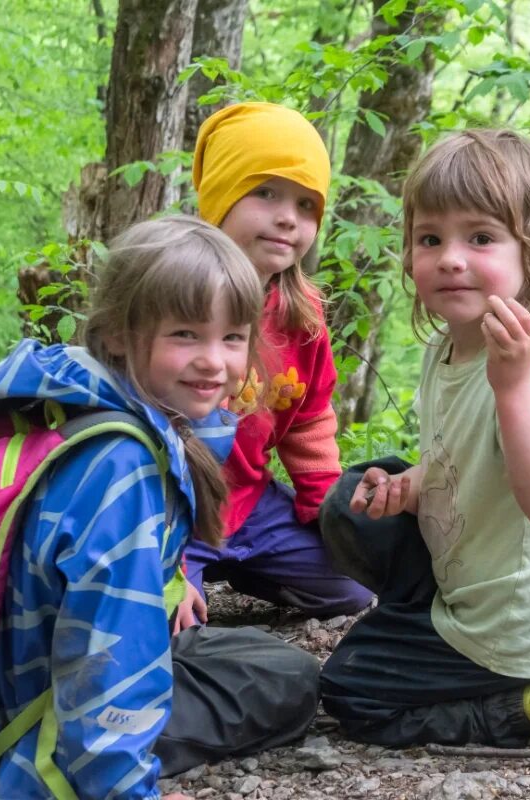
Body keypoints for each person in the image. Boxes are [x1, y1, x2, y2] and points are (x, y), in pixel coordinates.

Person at [0, 216, 320, 799]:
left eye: (233, 337)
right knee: (291, 684)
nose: (215, 362)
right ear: (116, 335)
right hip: (23, 716)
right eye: (185, 334)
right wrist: (127, 790)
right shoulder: (123, 469)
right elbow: (108, 658)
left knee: (266, 657)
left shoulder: (63, 396)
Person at [317, 129, 530, 748]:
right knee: (350, 498)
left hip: (512, 627)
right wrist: (408, 488)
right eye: (430, 239)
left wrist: (512, 386)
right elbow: (459, 462)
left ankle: (529, 704)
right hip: (470, 573)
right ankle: (425, 629)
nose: (451, 258)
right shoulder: (447, 346)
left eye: (481, 238)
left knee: (348, 690)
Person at [170, 102, 373, 632]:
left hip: (249, 505)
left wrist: (325, 510)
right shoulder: (167, 296)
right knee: (163, 618)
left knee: (355, 589)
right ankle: (188, 575)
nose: (289, 217)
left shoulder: (302, 316)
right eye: (265, 193)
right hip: (170, 511)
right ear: (219, 196)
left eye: (307, 205)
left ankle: (245, 568)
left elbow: (307, 419)